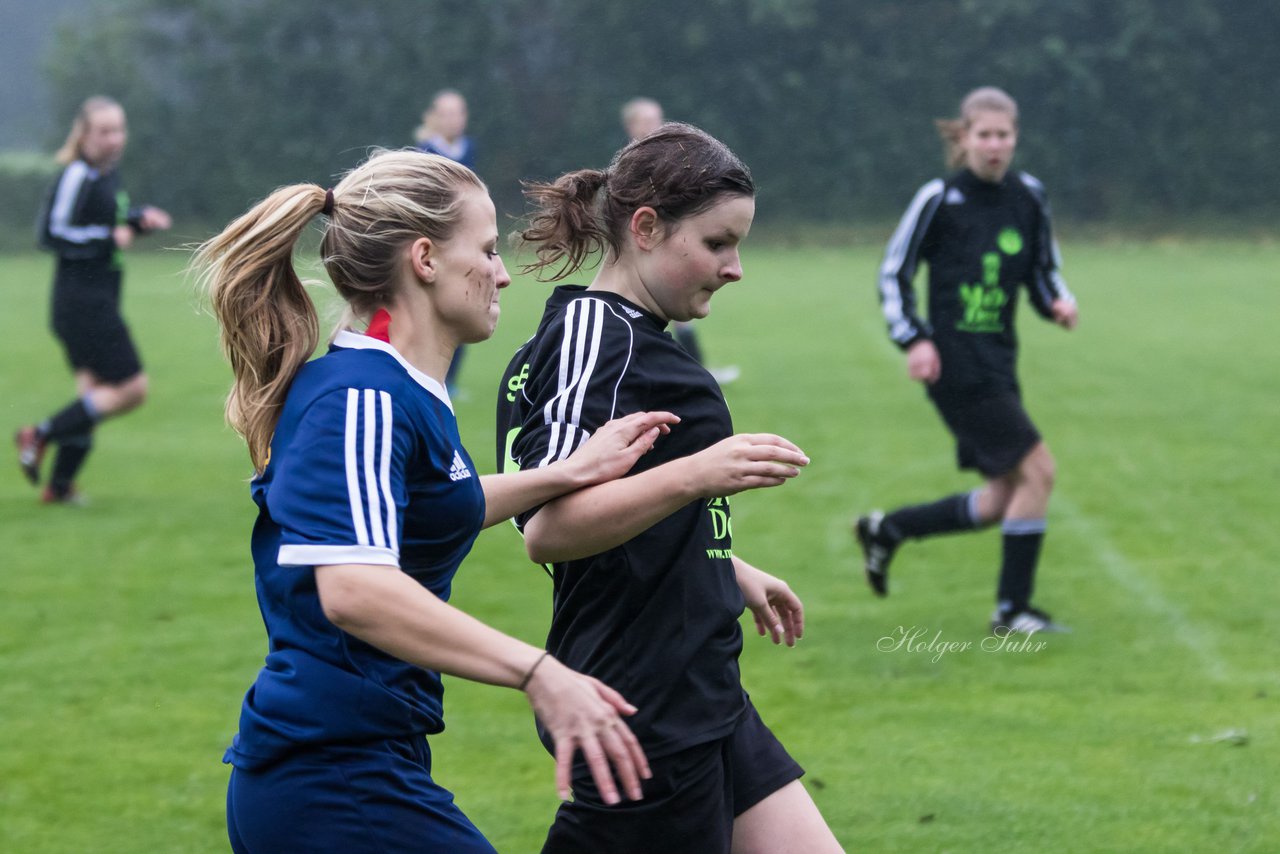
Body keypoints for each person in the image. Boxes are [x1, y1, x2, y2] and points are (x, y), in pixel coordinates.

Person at [193, 149, 680, 853]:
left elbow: (432, 506)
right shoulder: (359, 398)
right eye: (485, 250)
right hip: (329, 779)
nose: (503, 272)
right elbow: (355, 590)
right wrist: (539, 673)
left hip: (366, 764)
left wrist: (569, 472)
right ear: (424, 259)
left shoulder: (399, 393)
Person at [498, 124, 841, 853]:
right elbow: (547, 530)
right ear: (647, 228)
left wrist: (723, 566)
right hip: (645, 706)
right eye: (717, 244)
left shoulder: (626, 337)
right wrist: (700, 473)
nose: (736, 267)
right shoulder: (600, 338)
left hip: (701, 687)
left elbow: (618, 508)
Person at [856, 87, 1079, 634]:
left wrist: (1058, 301)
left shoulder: (1029, 196)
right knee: (1040, 471)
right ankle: (1012, 611)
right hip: (955, 363)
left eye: (1004, 135)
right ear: (965, 137)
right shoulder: (940, 197)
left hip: (1001, 359)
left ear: (1015, 137)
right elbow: (894, 271)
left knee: (1006, 496)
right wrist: (915, 339)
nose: (995, 145)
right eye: (984, 135)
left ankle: (889, 530)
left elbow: (1042, 269)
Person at [14, 96, 171, 503]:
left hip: (95, 298)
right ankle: (39, 434)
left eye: (119, 130)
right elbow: (50, 234)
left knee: (93, 398)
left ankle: (59, 488)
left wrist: (137, 221)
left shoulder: (106, 174)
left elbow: (106, 224)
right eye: (104, 131)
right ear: (84, 135)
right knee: (132, 387)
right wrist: (108, 238)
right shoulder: (77, 174)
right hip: (82, 303)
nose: (114, 139)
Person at [620, 98, 739, 385]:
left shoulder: (664, 162)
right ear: (631, 126)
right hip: (642, 252)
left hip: (666, 248)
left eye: (657, 119)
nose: (654, 126)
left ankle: (695, 375)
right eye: (647, 120)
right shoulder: (629, 165)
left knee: (678, 314)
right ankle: (688, 376)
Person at [415, 88, 477, 393]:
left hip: (464, 245)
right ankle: (427, 373)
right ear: (436, 118)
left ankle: (449, 380)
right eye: (447, 113)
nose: (454, 120)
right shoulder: (423, 152)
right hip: (435, 244)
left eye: (459, 113)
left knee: (464, 307)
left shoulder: (469, 149)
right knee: (433, 309)